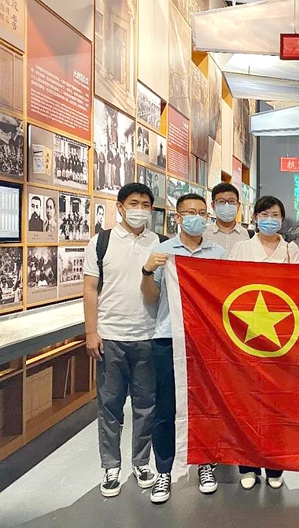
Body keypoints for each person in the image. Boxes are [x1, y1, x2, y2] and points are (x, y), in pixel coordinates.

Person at [141, 193, 227, 504]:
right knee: (165, 407)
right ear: (178, 217)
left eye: (202, 213)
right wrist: (147, 271)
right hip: (168, 337)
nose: (196, 217)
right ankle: (163, 471)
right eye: (190, 212)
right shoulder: (163, 252)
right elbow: (150, 296)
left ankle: (206, 464)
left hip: (207, 341)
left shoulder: (218, 254)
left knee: (207, 405)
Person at [83, 182, 160, 498]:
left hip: (147, 336)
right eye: (134, 203)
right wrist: (91, 331)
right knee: (110, 406)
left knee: (146, 406)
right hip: (110, 338)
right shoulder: (100, 242)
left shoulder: (158, 243)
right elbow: (90, 288)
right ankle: (110, 467)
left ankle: (141, 463)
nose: (139, 209)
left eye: (145, 204)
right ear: (120, 206)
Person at [229, 195, 299, 490]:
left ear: (282, 220)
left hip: (281, 336)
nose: (270, 219)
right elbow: (228, 286)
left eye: (276, 215)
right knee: (246, 401)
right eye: (265, 214)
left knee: (276, 404)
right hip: (246, 335)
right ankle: (247, 464)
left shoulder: (290, 250)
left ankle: (274, 465)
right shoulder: (241, 248)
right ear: (255, 217)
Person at [202, 182, 250, 254]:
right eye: (221, 201)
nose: (227, 205)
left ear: (238, 205)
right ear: (213, 205)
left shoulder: (247, 235)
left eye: (231, 201)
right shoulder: (203, 234)